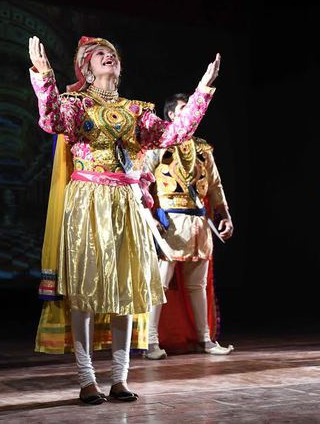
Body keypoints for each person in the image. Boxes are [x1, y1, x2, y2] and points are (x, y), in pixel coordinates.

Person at [28, 35, 220, 404]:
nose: (109, 57)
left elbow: (173, 133)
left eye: (113, 54)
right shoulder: (77, 104)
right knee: (85, 290)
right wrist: (44, 73)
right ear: (86, 67)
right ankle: (87, 378)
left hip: (126, 202)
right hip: (88, 201)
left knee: (125, 289)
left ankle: (119, 378)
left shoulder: (136, 111)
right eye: (100, 53)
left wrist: (202, 90)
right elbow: (50, 119)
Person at [143, 93, 234, 360]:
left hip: (199, 223)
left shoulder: (203, 149)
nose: (191, 110)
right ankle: (150, 342)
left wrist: (225, 215)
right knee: (161, 283)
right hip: (170, 222)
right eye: (185, 107)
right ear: (171, 115)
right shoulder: (159, 145)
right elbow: (141, 181)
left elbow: (215, 185)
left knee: (198, 285)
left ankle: (205, 339)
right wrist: (149, 217)